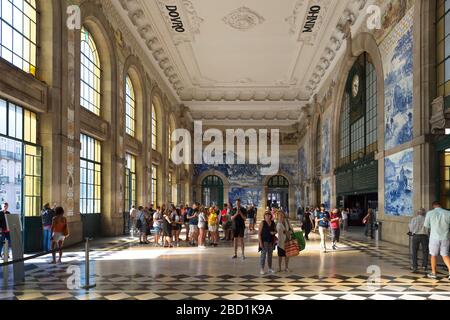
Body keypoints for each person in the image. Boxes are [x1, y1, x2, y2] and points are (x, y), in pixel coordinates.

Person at [424, 201, 450, 280]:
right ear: (440, 205)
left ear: (433, 206)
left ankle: (434, 273)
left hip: (434, 237)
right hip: (445, 237)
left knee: (433, 255)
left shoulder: (430, 213)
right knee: (445, 255)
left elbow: (426, 225)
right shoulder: (448, 213)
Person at [408, 209, 429, 273]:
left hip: (416, 236)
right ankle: (424, 266)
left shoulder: (414, 219)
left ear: (418, 213)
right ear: (424, 213)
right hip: (424, 236)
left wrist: (412, 231)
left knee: (414, 251)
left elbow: (411, 228)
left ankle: (415, 266)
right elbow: (429, 228)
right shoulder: (426, 219)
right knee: (425, 251)